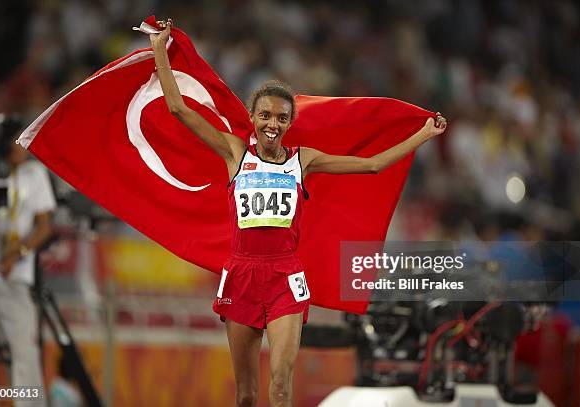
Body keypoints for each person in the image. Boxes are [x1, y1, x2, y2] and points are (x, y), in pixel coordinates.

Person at [150, 20, 446, 407]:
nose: (273, 124)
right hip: (241, 274)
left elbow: (372, 165)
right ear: (253, 119)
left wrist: (423, 135)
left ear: (290, 123)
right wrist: (159, 48)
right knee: (245, 395)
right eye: (266, 116)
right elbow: (177, 108)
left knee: (281, 386)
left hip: (285, 276)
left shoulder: (302, 161)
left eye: (282, 118)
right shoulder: (235, 153)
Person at [0, 115, 56, 407]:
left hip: (14, 276)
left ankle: (28, 404)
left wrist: (18, 253)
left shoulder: (34, 175)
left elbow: (44, 226)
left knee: (23, 353)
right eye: (16, 141)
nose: (23, 146)